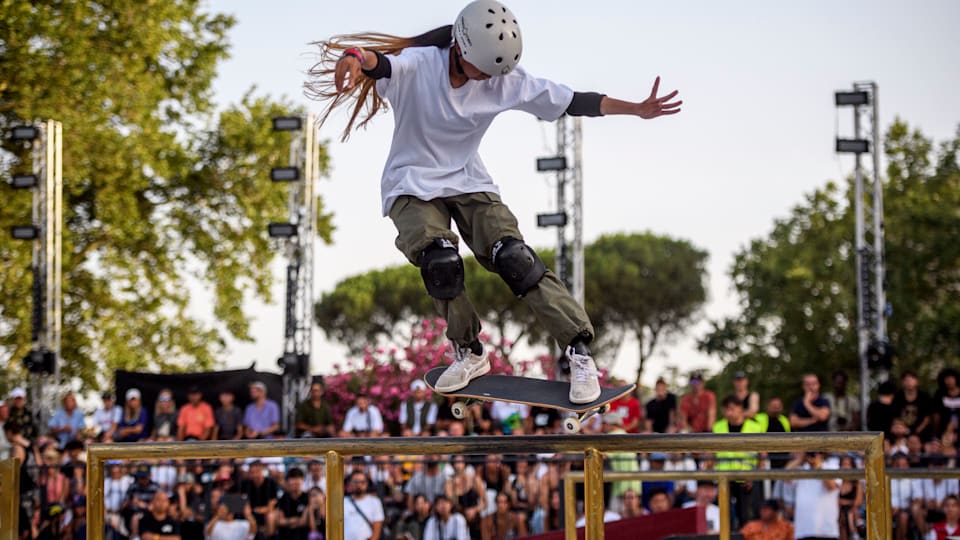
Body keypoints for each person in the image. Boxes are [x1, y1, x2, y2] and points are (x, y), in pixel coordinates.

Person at [307, 0, 681, 403]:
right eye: (481, 69)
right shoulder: (419, 64)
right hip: (411, 184)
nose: (487, 78)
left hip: (469, 181)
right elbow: (378, 63)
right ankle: (468, 352)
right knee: (440, 261)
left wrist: (636, 109)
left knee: (515, 258)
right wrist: (352, 57)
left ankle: (578, 351)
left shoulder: (505, 80)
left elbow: (573, 100)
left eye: (493, 72)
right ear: (460, 50)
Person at [713, 394, 763, 527]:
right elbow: (712, 453)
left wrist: (754, 476)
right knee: (725, 518)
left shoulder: (755, 427)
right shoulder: (718, 427)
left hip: (746, 479)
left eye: (732, 408)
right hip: (724, 478)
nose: (728, 412)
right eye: (726, 409)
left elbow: (762, 455)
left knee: (746, 517)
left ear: (740, 408)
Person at [787, 451, 840, 540]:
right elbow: (785, 476)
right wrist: (801, 459)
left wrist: (819, 467)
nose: (813, 455)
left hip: (826, 530)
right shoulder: (801, 469)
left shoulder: (832, 465)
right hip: (803, 530)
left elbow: (831, 486)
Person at [894, 370, 935, 442]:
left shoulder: (924, 397)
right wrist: (903, 430)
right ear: (902, 382)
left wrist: (914, 432)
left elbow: (927, 419)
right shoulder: (897, 397)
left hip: (922, 434)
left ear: (917, 381)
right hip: (902, 433)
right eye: (906, 380)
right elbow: (895, 416)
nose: (909, 382)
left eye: (912, 379)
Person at [344, 470, 385, 540]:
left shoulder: (375, 502)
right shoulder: (343, 501)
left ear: (367, 483)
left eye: (362, 482)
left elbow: (377, 531)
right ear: (350, 483)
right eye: (355, 482)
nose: (359, 485)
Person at [241, 460, 278, 537]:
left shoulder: (271, 482)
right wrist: (249, 513)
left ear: (262, 470)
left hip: (266, 513)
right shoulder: (246, 484)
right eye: (252, 472)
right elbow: (244, 502)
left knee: (270, 517)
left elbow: (272, 505)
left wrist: (259, 510)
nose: (254, 475)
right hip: (251, 514)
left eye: (257, 472)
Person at [755, 397, 792, 469]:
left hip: (783, 454)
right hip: (766, 454)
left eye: (778, 406)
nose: (776, 408)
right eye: (774, 405)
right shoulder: (759, 418)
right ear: (768, 406)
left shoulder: (784, 420)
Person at [276, 468, 311, 540]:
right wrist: (295, 520)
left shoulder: (307, 497)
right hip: (285, 534)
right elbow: (280, 521)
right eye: (292, 479)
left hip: (303, 534)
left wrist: (288, 521)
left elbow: (304, 522)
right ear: (288, 481)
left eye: (298, 478)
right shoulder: (283, 498)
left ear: (302, 480)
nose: (295, 481)